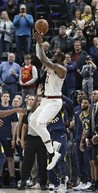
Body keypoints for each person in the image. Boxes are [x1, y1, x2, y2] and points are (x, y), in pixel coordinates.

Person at [29, 31, 67, 171]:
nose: (53, 55)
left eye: (56, 55)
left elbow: (44, 59)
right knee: (33, 121)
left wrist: (40, 43)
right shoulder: (51, 65)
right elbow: (40, 56)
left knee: (40, 123)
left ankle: (52, 153)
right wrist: (37, 42)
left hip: (55, 101)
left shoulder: (61, 69)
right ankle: (52, 145)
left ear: (60, 59)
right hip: (46, 100)